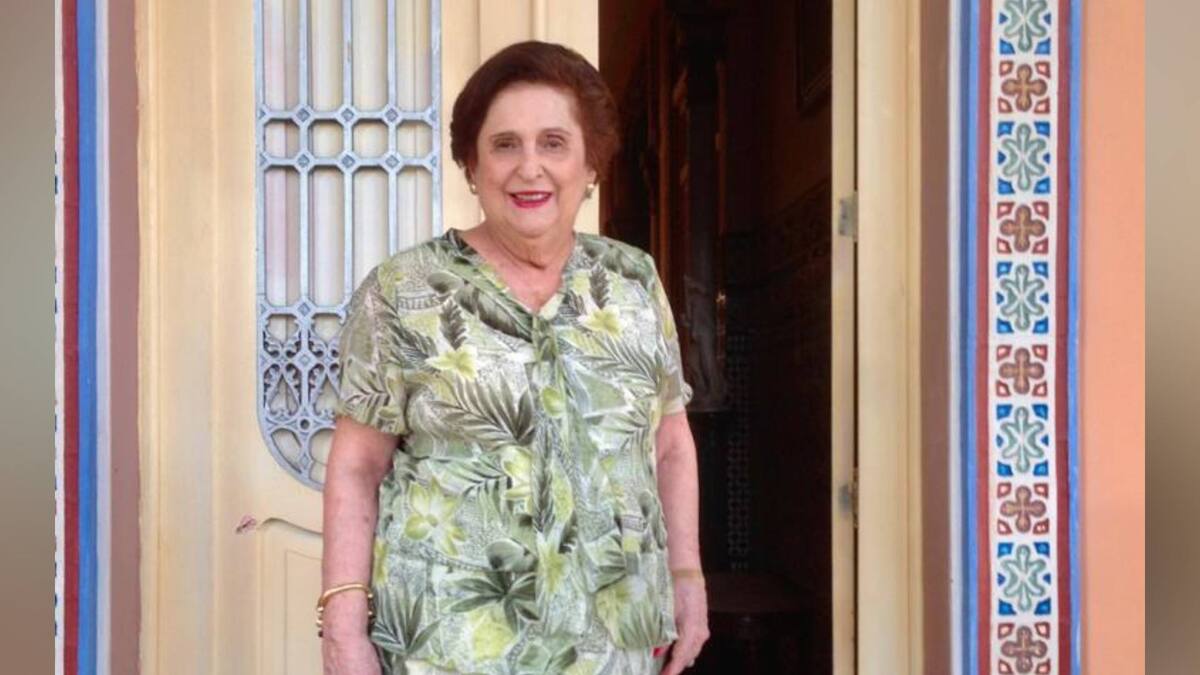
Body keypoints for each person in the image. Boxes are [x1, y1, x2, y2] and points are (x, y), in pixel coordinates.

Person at [320, 40, 708, 675]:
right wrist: (342, 626)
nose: (530, 167)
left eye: (554, 143)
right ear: (472, 166)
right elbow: (357, 464)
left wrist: (686, 575)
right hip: (449, 644)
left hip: (612, 643)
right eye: (505, 145)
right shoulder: (402, 290)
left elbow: (669, 442)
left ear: (591, 164)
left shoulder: (634, 281)